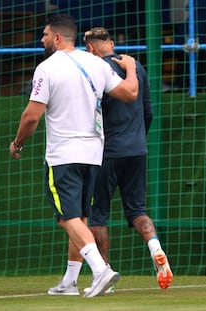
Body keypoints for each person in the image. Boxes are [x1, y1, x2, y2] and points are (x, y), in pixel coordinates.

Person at [9, 14, 139, 297]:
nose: (41, 39)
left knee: (66, 217)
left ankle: (100, 269)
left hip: (63, 154)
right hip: (93, 154)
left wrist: (18, 143)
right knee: (78, 217)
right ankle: (69, 282)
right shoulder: (96, 64)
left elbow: (32, 115)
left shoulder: (46, 68)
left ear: (57, 37)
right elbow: (130, 93)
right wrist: (130, 68)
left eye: (44, 35)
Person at [50, 27, 173, 295]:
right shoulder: (135, 67)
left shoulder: (94, 69)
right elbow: (148, 110)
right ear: (112, 43)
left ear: (90, 48)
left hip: (106, 153)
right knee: (138, 210)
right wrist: (138, 138)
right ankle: (156, 247)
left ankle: (103, 274)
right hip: (137, 150)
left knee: (97, 217)